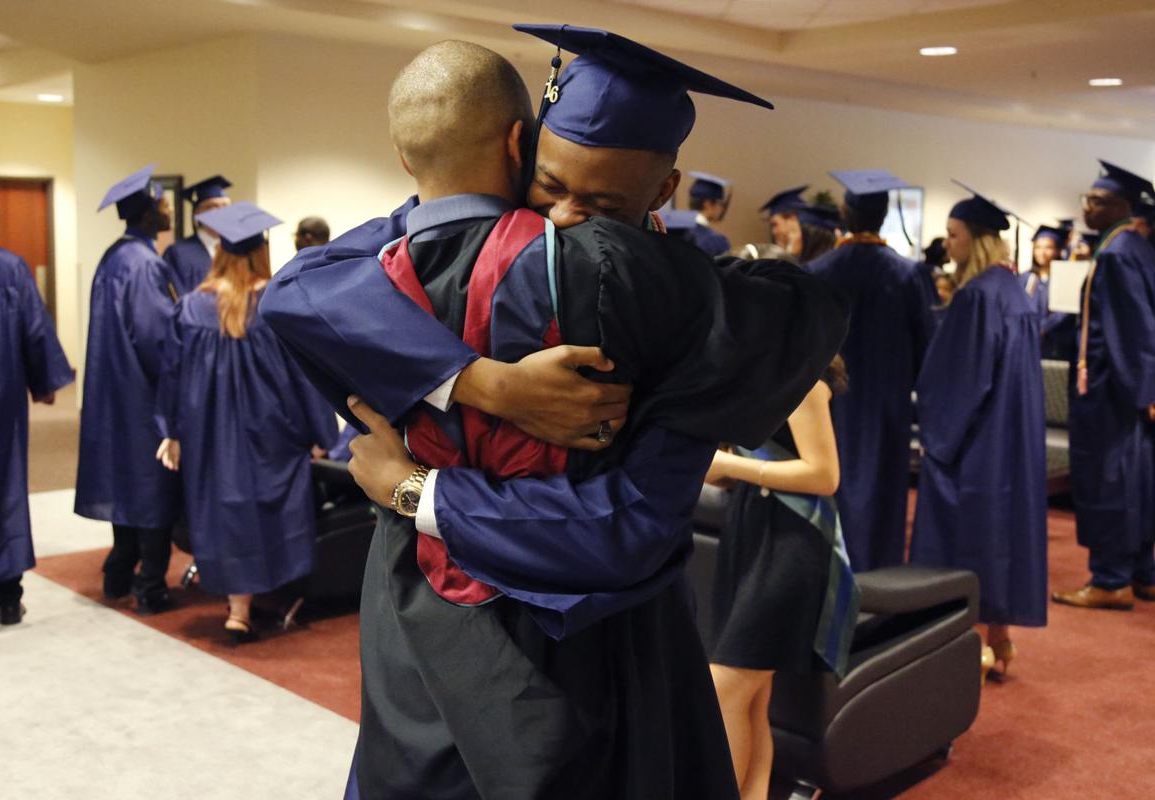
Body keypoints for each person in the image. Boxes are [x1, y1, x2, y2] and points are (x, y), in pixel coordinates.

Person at [262, 30, 847, 800]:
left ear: (664, 189)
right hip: (437, 624)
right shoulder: (430, 252)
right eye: (550, 185)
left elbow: (628, 528)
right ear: (520, 147)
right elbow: (296, 288)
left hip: (576, 646)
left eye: (602, 205)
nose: (566, 220)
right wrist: (480, 383)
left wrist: (411, 490)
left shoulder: (675, 310)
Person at [155, 202, 336, 641]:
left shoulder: (193, 308)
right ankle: (256, 599)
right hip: (268, 433)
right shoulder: (275, 305)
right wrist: (320, 432)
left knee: (223, 510)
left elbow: (172, 376)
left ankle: (237, 606)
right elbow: (302, 377)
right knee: (265, 506)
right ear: (261, 250)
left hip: (209, 435)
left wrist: (173, 432)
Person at [704, 358, 857, 800]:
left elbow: (825, 475)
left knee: (723, 691)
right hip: (751, 534)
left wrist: (732, 467)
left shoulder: (803, 379)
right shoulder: (759, 374)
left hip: (792, 546)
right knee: (752, 700)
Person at [910, 183, 1047, 677]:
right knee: (1005, 529)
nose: (947, 244)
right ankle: (1001, 637)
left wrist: (936, 429)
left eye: (953, 234)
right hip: (1015, 436)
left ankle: (970, 638)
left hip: (980, 439)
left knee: (971, 527)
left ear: (977, 239)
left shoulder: (978, 297)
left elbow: (958, 379)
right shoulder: (1015, 292)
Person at [0, 172, 75, 642]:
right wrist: (45, 383)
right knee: (3, 489)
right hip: (2, 408)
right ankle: (8, 594)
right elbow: (35, 331)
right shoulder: (9, 268)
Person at [807, 169, 934, 572]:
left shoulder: (820, 269)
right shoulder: (908, 274)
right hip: (887, 401)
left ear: (845, 212)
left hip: (831, 400)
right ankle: (879, 575)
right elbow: (925, 344)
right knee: (882, 489)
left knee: (832, 478)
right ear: (884, 216)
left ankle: (829, 569)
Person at [74, 164, 180, 615]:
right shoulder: (145, 264)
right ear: (147, 214)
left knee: (124, 478)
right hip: (142, 395)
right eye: (162, 203)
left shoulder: (113, 256)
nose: (169, 209)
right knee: (152, 484)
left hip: (110, 390)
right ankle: (150, 584)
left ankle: (118, 569)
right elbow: (155, 337)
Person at [1053, 161, 1155, 610]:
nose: (1088, 208)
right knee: (1139, 484)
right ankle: (1143, 573)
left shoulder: (1116, 253)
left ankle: (1111, 579)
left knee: (1109, 482)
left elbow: (1133, 332)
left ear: (1120, 206)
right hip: (1126, 392)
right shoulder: (1133, 247)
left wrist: (1143, 392)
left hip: (1112, 395)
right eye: (1087, 200)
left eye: (1097, 201)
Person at [162, 174, 231, 296]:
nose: (223, 212)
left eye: (225, 206)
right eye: (214, 206)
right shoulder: (178, 254)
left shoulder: (237, 250)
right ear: (198, 213)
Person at [1018, 225, 1078, 360]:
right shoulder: (1025, 278)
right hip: (1028, 341)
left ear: (1058, 250)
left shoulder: (1065, 278)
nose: (1042, 252)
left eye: (1048, 248)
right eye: (1038, 248)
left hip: (1056, 343)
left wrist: (1044, 327)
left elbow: (1065, 310)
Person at [686, 170, 732, 256]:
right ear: (707, 204)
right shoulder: (714, 241)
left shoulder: (676, 233)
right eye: (720, 203)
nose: (721, 208)